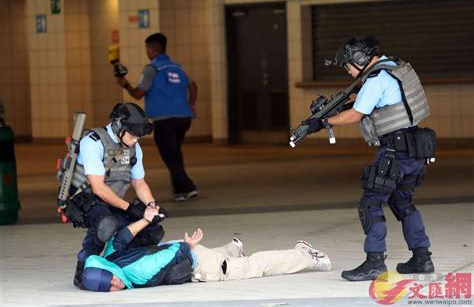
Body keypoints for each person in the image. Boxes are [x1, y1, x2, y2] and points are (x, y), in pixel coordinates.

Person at [307, 35, 436, 281]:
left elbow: (357, 114)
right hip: (416, 148)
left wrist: (322, 122)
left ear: (360, 58)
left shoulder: (377, 79)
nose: (348, 71)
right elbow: (378, 103)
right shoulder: (397, 67)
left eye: (348, 65)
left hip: (395, 152)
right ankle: (422, 258)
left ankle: (374, 263)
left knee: (371, 203)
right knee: (402, 203)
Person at [81, 207, 332, 292]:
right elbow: (121, 239)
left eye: (112, 280)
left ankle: (305, 255)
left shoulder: (134, 272)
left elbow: (158, 262)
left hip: (196, 262)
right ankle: (230, 250)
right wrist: (145, 220)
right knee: (219, 258)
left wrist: (185, 246)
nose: (117, 284)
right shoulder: (109, 260)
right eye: (110, 286)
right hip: (186, 252)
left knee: (254, 267)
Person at [68, 102, 166, 289]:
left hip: (113, 201)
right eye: (133, 135)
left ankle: (122, 263)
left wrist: (152, 206)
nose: (136, 140)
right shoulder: (93, 142)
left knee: (152, 230)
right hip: (86, 200)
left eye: (139, 136)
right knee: (105, 224)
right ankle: (83, 268)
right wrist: (130, 208)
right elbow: (98, 188)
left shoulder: (133, 147)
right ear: (118, 126)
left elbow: (139, 182)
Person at [116, 32, 198, 202]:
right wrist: (191, 104)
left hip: (164, 119)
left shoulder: (151, 69)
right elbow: (193, 85)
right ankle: (180, 190)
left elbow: (138, 94)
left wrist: (125, 85)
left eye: (147, 49)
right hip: (184, 118)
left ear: (152, 49)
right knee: (174, 152)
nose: (147, 52)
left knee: (169, 154)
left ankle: (188, 187)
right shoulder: (177, 67)